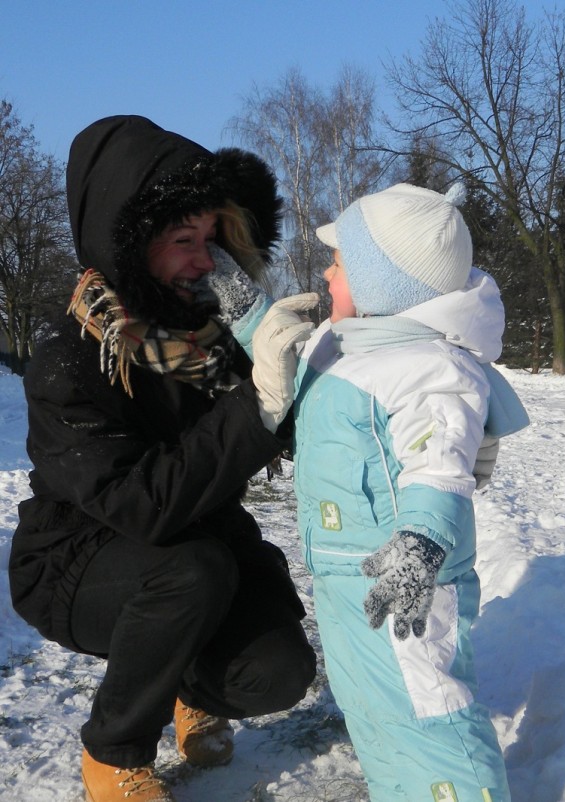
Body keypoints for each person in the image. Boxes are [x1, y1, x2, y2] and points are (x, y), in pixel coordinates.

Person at [9, 114, 318, 802]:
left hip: (193, 550)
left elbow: (296, 425)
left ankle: (184, 684)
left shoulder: (210, 340)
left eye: (211, 238)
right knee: (191, 570)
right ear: (128, 241)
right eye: (184, 240)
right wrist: (258, 404)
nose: (206, 260)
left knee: (278, 671)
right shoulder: (70, 358)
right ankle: (112, 753)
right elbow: (140, 504)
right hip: (73, 562)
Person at [292, 182, 529, 802]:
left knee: (431, 716)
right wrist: (246, 318)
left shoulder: (428, 366)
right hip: (352, 579)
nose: (325, 271)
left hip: (408, 578)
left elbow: (440, 465)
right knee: (376, 713)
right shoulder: (356, 350)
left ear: (383, 282)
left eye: (339, 262)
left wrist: (420, 544)